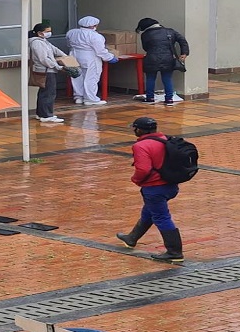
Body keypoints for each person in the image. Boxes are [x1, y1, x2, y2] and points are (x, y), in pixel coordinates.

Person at [116, 117, 184, 262]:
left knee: (161, 217)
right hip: (170, 185)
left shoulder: (141, 146)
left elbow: (143, 169)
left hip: (154, 188)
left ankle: (174, 251)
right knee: (148, 212)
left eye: (134, 128)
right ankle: (132, 238)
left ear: (139, 130)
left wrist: (136, 180)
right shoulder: (165, 139)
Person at [135, 18, 189, 106]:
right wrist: (184, 53)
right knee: (167, 79)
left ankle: (150, 98)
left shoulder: (145, 34)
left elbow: (145, 48)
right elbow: (182, 40)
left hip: (151, 58)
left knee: (150, 78)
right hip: (168, 58)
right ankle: (169, 99)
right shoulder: (170, 31)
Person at [66, 16, 118, 106]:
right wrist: (110, 57)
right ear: (93, 25)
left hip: (74, 55)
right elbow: (100, 51)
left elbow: (68, 44)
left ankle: (79, 97)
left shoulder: (71, 32)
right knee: (91, 78)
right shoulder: (95, 36)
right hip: (89, 57)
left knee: (76, 76)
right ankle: (90, 99)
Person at [29, 23, 67, 123]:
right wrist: (57, 66)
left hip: (48, 70)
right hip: (45, 71)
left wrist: (66, 57)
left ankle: (41, 113)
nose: (49, 33)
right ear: (40, 33)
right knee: (48, 93)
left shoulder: (43, 41)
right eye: (47, 31)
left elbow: (55, 50)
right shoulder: (37, 43)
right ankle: (46, 115)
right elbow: (43, 59)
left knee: (45, 92)